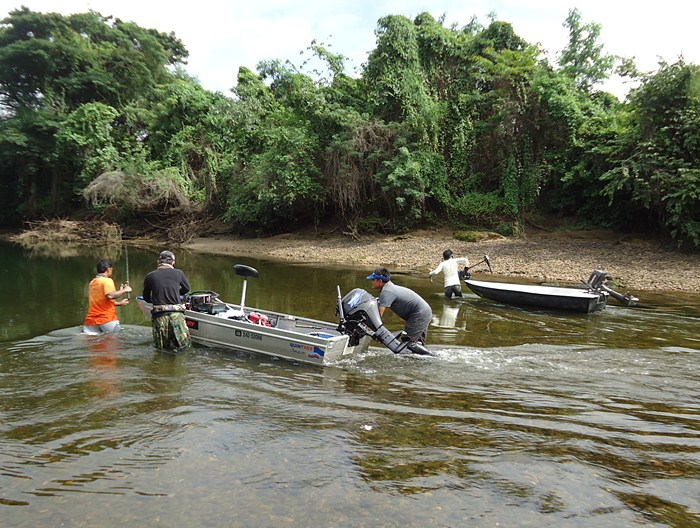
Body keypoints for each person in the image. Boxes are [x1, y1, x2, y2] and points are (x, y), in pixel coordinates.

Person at [367, 267, 432, 344]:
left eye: (373, 280)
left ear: (380, 281)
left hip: (419, 313)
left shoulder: (387, 292)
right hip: (424, 311)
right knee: (417, 343)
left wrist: (368, 328)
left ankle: (412, 355)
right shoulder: (389, 288)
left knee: (408, 342)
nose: (372, 282)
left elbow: (378, 316)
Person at [142, 250, 192, 351]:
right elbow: (186, 289)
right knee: (183, 348)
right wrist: (176, 293)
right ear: (173, 262)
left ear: (158, 262)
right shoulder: (179, 273)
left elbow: (146, 298)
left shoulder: (150, 276)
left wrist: (157, 297)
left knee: (162, 349)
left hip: (160, 316)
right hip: (177, 315)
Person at [83, 259, 132, 334]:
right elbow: (110, 296)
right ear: (108, 269)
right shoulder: (107, 281)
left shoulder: (92, 282)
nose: (112, 271)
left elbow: (100, 301)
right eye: (111, 269)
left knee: (94, 344)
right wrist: (125, 290)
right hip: (107, 319)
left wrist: (119, 303)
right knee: (115, 342)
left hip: (91, 322)